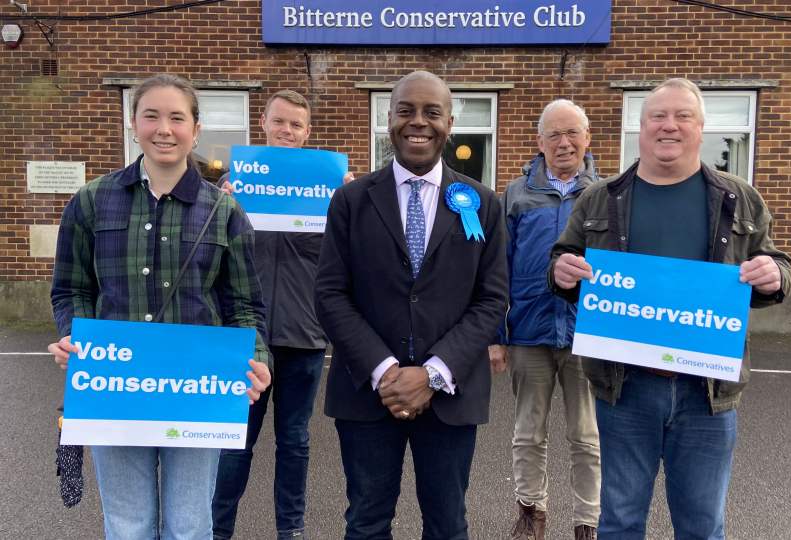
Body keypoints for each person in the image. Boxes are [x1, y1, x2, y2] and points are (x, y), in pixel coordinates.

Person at [550, 78, 791, 540]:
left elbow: (777, 263)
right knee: (619, 523)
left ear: (702, 129)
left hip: (706, 391)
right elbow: (561, 260)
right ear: (639, 129)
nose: (669, 126)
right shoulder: (600, 197)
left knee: (702, 527)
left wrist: (775, 276)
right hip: (625, 388)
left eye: (683, 116)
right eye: (657, 116)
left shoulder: (739, 198)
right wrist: (560, 273)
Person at [48, 73, 271, 540]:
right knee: (129, 527)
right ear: (133, 124)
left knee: (190, 528)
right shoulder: (91, 202)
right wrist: (73, 333)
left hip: (199, 390)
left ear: (195, 128)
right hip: (114, 386)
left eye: (177, 117)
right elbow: (71, 289)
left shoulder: (226, 212)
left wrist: (258, 360)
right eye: (151, 116)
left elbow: (245, 306)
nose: (163, 129)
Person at [314, 70, 509, 540]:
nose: (417, 122)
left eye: (431, 112)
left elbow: (493, 298)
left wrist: (433, 373)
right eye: (406, 110)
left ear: (449, 122)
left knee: (447, 525)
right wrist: (387, 371)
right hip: (367, 391)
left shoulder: (482, 203)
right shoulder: (350, 200)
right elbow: (330, 294)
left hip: (450, 394)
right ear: (388, 119)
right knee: (366, 522)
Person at [211, 90, 353, 540]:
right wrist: (220, 202)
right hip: (244, 334)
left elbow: (350, 256)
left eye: (296, 125)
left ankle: (290, 531)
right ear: (264, 125)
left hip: (305, 335)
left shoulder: (329, 190)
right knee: (235, 444)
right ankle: (218, 529)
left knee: (294, 443)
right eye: (279, 122)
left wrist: (350, 202)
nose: (286, 131)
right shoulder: (234, 187)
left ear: (308, 132)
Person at [491, 99, 601, 540]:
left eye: (572, 132)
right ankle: (531, 513)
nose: (564, 142)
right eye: (553, 134)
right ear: (539, 142)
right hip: (529, 333)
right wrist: (497, 335)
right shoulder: (516, 194)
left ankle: (587, 522)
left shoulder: (606, 194)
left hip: (587, 336)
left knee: (586, 437)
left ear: (587, 138)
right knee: (528, 433)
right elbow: (497, 268)